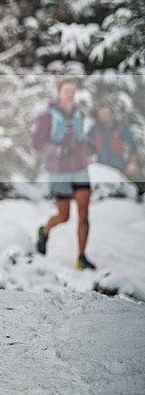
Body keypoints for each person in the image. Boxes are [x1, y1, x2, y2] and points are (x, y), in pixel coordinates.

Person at [32, 78, 95, 270]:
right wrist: (57, 150)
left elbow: (82, 139)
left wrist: (89, 150)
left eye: (73, 91)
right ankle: (44, 231)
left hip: (79, 169)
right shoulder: (46, 116)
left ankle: (81, 257)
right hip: (58, 171)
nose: (70, 93)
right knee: (64, 215)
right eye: (67, 90)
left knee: (84, 214)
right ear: (59, 93)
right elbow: (37, 144)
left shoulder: (79, 114)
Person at [87, 103, 144, 202]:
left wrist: (132, 163)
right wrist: (88, 157)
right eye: (101, 113)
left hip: (120, 166)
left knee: (136, 179)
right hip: (102, 167)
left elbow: (133, 146)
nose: (104, 115)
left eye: (106, 112)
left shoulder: (121, 128)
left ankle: (140, 201)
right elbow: (86, 145)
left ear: (111, 113)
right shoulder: (95, 129)